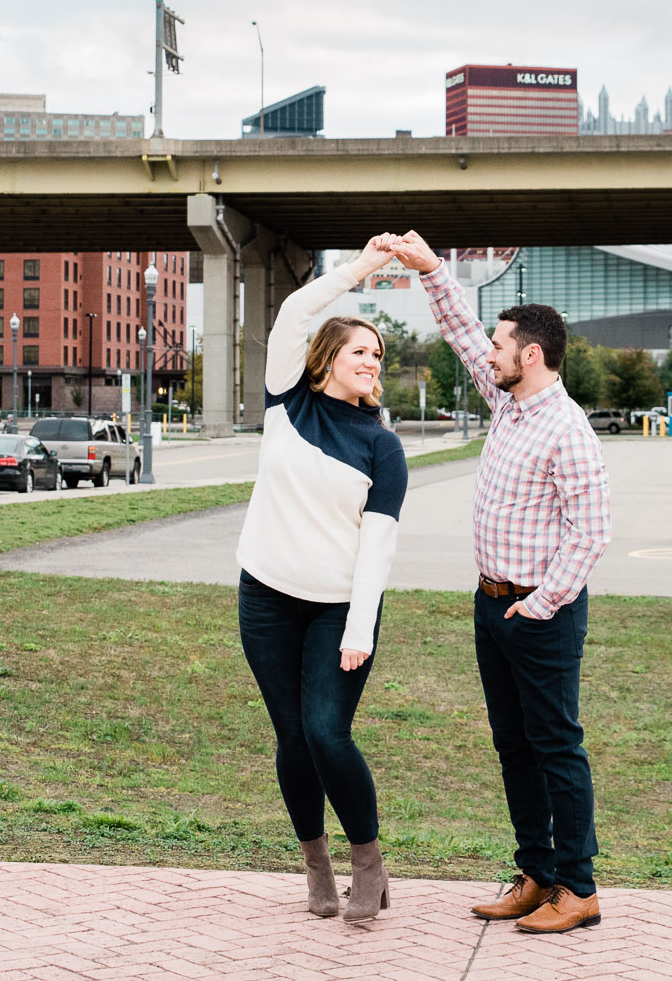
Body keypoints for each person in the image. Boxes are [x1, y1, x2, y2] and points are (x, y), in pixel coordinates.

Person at [392, 230, 611, 935]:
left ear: (532, 355)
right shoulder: (511, 404)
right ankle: (537, 874)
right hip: (490, 603)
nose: (490, 352)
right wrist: (432, 270)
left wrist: (540, 604)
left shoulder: (567, 428)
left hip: (538, 613)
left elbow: (590, 532)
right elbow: (461, 332)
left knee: (556, 747)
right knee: (514, 746)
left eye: (501, 343)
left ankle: (578, 888)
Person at [235, 234, 409, 923]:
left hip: (338, 607)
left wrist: (361, 625)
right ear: (329, 357)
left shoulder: (381, 445)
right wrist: (363, 270)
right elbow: (291, 314)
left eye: (379, 354)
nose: (373, 360)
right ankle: (315, 862)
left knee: (327, 731)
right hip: (267, 597)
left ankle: (369, 860)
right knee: (291, 736)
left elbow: (380, 546)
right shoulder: (287, 403)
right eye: (362, 349)